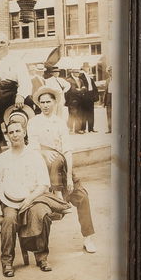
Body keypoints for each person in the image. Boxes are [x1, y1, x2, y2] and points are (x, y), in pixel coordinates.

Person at [27, 87, 98, 252]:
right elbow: (33, 147)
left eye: (48, 102)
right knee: (37, 207)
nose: (45, 105)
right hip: (41, 168)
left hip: (62, 168)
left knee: (83, 197)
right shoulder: (34, 122)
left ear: (54, 102)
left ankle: (88, 238)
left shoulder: (59, 122)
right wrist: (45, 152)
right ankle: (37, 245)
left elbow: (67, 150)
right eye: (42, 102)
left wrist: (69, 178)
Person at [0, 120, 61, 277]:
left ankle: (42, 257)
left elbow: (43, 184)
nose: (15, 135)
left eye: (17, 131)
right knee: (9, 220)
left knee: (42, 214)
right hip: (10, 201)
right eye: (11, 132)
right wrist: (3, 190)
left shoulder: (34, 156)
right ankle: (7, 262)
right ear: (7, 136)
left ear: (24, 133)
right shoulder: (3, 158)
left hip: (33, 198)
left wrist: (28, 199)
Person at [66, 68, 98, 134]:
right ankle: (70, 129)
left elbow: (85, 88)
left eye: (78, 73)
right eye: (75, 72)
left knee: (79, 115)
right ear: (72, 73)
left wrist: (80, 89)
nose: (77, 74)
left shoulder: (80, 80)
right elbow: (72, 90)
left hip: (80, 100)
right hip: (73, 100)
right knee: (72, 114)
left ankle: (78, 130)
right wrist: (80, 90)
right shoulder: (69, 80)